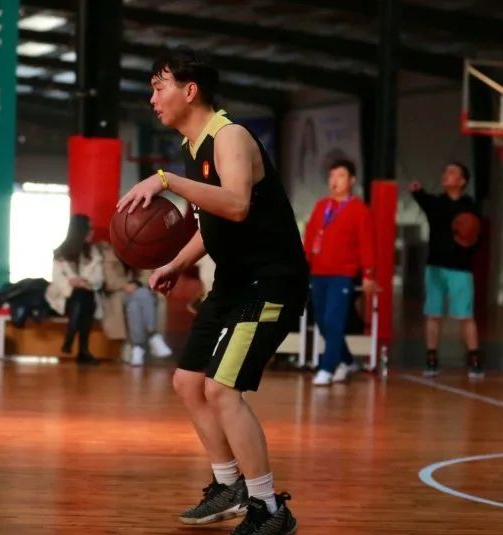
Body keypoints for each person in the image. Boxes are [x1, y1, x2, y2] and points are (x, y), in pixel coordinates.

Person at [117, 47, 307, 535]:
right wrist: (174, 264)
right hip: (234, 281)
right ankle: (229, 486)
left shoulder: (229, 136)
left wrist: (167, 181)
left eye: (159, 87)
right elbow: (213, 224)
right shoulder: (193, 147)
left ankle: (270, 509)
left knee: (221, 389)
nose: (152, 98)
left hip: (271, 281)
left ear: (190, 90)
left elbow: (237, 204)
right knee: (187, 381)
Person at [303, 160, 376, 386]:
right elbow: (310, 237)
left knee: (333, 320)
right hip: (318, 272)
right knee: (321, 321)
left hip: (343, 274)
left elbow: (367, 244)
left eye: (340, 176)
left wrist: (369, 273)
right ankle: (347, 360)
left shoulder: (359, 209)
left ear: (352, 180)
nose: (334, 180)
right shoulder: (321, 206)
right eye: (332, 176)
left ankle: (327, 367)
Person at [409, 163, 483, 378]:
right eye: (445, 171)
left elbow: (477, 235)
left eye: (451, 172)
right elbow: (421, 197)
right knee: (433, 314)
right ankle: (431, 359)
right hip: (435, 266)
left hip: (461, 268)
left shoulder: (470, 206)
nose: (446, 175)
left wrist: (469, 242)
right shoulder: (436, 202)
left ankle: (475, 359)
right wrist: (416, 190)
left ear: (462, 181)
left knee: (466, 315)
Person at [99, 242, 173, 366]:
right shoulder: (110, 255)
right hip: (119, 293)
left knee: (135, 305)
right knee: (142, 295)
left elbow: (148, 276)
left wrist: (136, 284)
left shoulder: (141, 252)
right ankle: (153, 335)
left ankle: (137, 347)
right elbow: (110, 281)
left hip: (138, 292)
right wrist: (126, 285)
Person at [45, 214, 104, 365]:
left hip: (87, 294)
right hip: (64, 297)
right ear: (80, 230)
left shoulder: (93, 252)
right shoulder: (61, 253)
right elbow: (57, 278)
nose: (92, 232)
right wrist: (71, 282)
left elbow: (99, 278)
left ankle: (70, 338)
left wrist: (85, 282)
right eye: (89, 228)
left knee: (84, 297)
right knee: (80, 297)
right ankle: (83, 350)